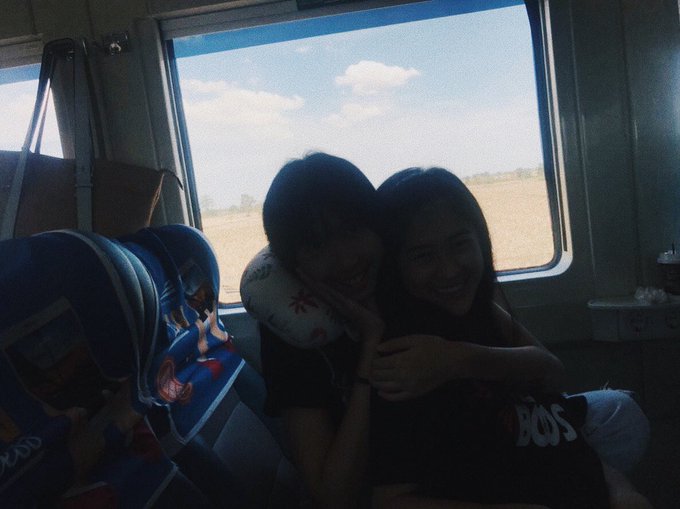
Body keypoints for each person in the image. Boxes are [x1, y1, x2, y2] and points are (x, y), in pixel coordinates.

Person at [369, 167, 652, 508]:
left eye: (460, 244)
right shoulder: (406, 363)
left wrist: (619, 489)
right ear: (394, 266)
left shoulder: (481, 312)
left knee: (622, 410)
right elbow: (388, 499)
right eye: (423, 256)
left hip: (588, 482)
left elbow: (553, 387)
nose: (450, 269)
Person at [259, 152, 384, 509]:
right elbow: (333, 496)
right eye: (317, 245)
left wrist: (461, 359)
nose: (347, 260)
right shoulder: (292, 335)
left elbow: (532, 362)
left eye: (353, 230)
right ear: (293, 264)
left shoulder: (415, 276)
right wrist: (371, 344)